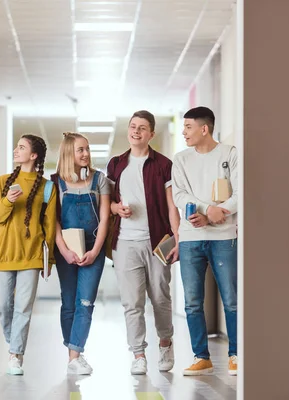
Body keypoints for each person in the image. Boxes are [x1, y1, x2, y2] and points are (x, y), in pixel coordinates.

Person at [106, 110, 180, 375]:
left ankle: (165, 342)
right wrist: (116, 208)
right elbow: (108, 202)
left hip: (157, 241)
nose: (136, 131)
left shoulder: (163, 164)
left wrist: (177, 237)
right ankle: (138, 354)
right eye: (133, 126)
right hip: (125, 242)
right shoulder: (115, 164)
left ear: (151, 134)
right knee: (131, 302)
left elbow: (172, 206)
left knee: (160, 297)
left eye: (142, 128)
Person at [172, 106, 238, 376]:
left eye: (188, 127)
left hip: (223, 235)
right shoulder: (181, 159)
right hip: (190, 237)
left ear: (204, 128)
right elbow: (179, 195)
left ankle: (236, 354)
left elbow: (240, 192)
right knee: (192, 301)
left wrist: (213, 216)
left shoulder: (230, 154)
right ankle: (202, 356)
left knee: (231, 298)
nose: (184, 132)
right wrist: (205, 210)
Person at [0, 134, 57, 375]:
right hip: (3, 254)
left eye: (22, 147)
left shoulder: (48, 187)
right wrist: (7, 201)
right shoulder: (2, 182)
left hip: (31, 254)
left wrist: (50, 260)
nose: (16, 151)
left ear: (34, 155)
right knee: (3, 306)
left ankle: (16, 354)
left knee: (23, 308)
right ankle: (13, 342)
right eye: (17, 147)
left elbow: (49, 226)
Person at [51, 132, 110, 375]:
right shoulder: (55, 183)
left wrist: (96, 251)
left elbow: (105, 218)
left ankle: (75, 353)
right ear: (68, 154)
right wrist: (63, 251)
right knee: (69, 303)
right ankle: (73, 355)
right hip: (66, 249)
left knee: (85, 302)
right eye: (80, 150)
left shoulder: (100, 180)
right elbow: (52, 221)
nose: (86, 154)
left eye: (87, 149)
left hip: (93, 249)